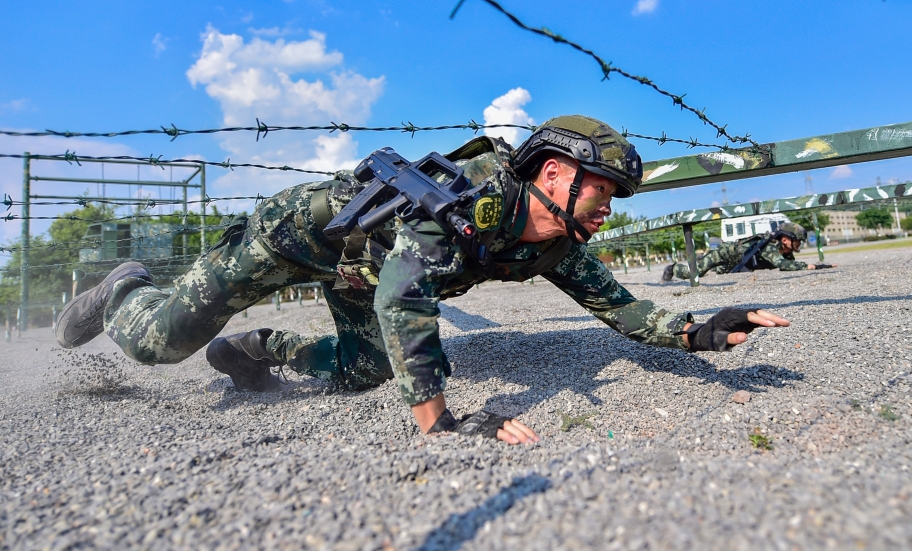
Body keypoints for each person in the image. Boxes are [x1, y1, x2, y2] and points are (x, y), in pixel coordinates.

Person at [56, 116, 791, 445]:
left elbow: (621, 309)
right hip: (296, 237)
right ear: (558, 174)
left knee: (367, 370)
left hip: (360, 269)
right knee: (159, 344)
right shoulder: (473, 201)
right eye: (602, 194)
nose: (605, 211)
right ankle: (123, 286)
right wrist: (437, 422)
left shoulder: (553, 238)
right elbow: (403, 295)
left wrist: (696, 333)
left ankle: (261, 349)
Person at [662, 222, 827, 282]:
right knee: (695, 274)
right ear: (785, 240)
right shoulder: (770, 248)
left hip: (735, 263)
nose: (799, 244)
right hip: (724, 253)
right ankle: (673, 268)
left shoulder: (782, 250)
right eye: (797, 241)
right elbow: (783, 265)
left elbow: (789, 262)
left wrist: (822, 266)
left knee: (715, 273)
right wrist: (809, 267)